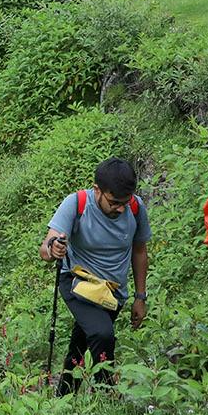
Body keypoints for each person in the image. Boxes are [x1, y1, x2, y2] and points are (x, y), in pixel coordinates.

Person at [38, 159, 150, 393]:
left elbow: (139, 251)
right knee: (102, 334)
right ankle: (106, 396)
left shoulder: (136, 209)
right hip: (78, 283)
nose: (120, 208)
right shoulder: (76, 203)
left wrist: (141, 296)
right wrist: (53, 248)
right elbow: (46, 247)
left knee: (82, 342)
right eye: (114, 202)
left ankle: (64, 397)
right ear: (97, 190)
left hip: (112, 292)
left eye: (125, 202)